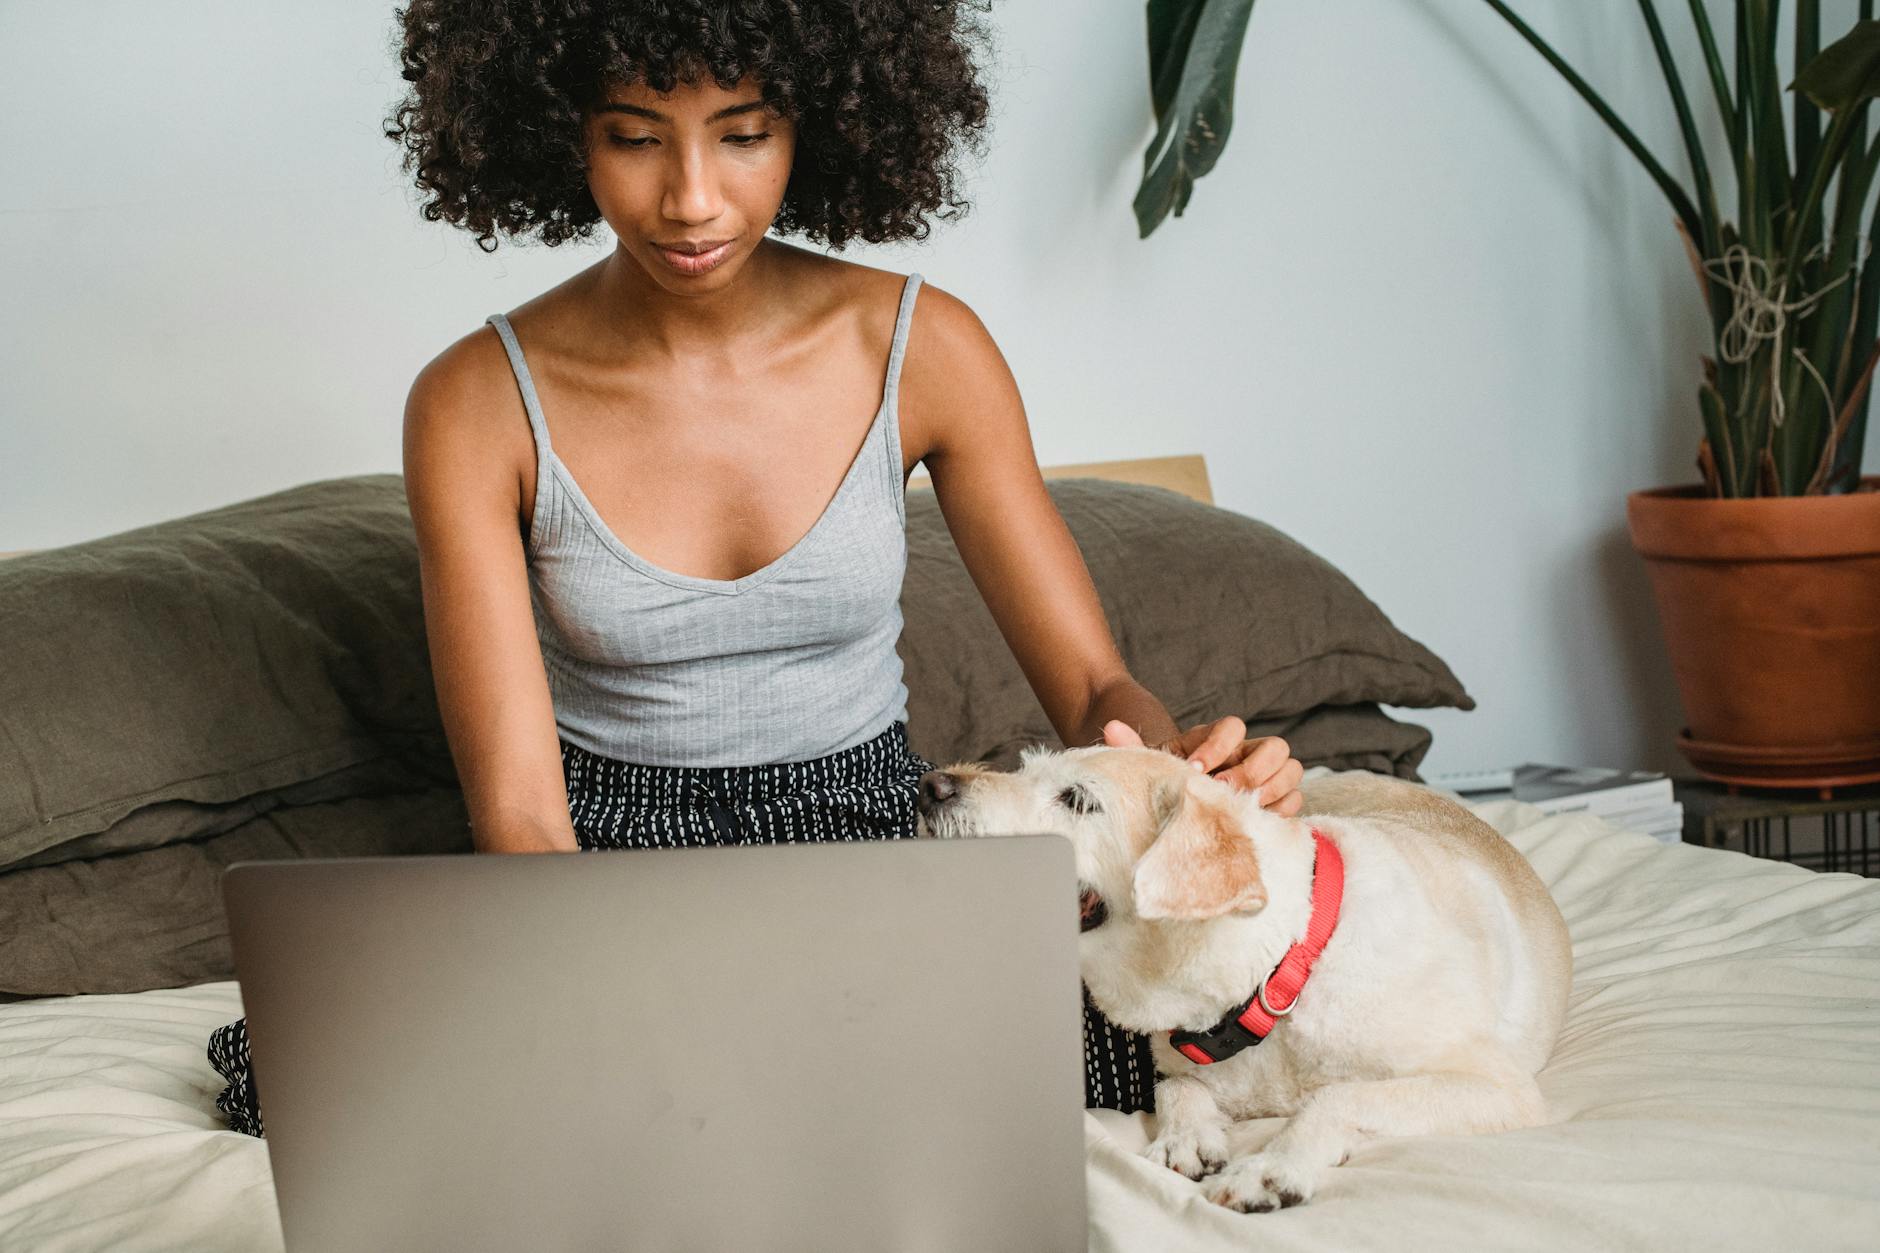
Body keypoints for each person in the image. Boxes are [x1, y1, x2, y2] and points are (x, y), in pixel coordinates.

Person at [206, 0, 1305, 1140]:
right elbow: (524, 817)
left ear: (820, 122)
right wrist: (612, 983)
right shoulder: (475, 402)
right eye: (634, 137)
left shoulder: (925, 348)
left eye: (743, 132)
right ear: (557, 130)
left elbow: (1090, 690)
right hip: (599, 859)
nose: (689, 198)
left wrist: (1183, 775)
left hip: (877, 830)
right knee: (305, 1070)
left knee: (1149, 1042)